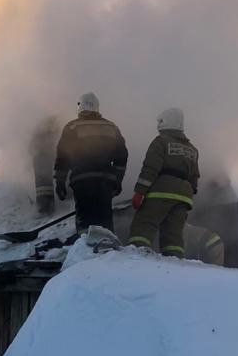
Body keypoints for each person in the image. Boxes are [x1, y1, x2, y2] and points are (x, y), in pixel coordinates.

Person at [128, 108, 200, 257]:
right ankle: (174, 260)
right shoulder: (192, 149)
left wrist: (140, 192)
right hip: (184, 196)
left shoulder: (160, 142)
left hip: (161, 190)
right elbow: (195, 177)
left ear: (165, 122)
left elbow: (150, 168)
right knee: (173, 233)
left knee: (144, 224)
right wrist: (187, 193)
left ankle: (136, 256)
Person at [53, 92, 128, 234]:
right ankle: (107, 249)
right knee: (105, 218)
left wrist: (60, 183)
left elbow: (63, 157)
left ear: (80, 107)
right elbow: (122, 156)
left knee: (84, 219)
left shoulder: (72, 127)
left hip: (81, 180)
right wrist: (117, 180)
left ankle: (85, 249)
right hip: (105, 180)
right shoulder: (111, 127)